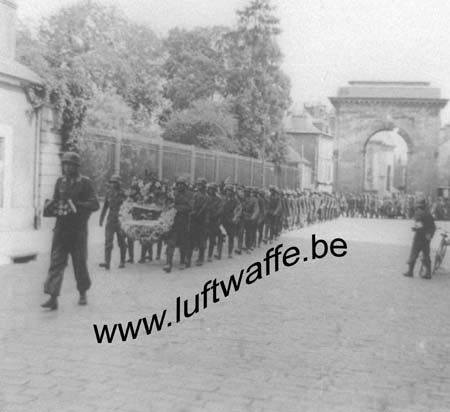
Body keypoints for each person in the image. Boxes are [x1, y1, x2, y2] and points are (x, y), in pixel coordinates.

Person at [41, 152, 100, 310]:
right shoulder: (60, 181)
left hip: (77, 230)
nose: (66, 167)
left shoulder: (85, 182)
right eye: (64, 164)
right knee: (56, 262)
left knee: (79, 263)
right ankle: (53, 297)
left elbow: (95, 204)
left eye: (70, 164)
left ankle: (82, 292)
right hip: (61, 229)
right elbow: (56, 199)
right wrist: (51, 206)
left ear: (76, 166)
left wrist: (77, 205)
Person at [99, 174, 127, 270]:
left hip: (120, 219)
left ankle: (122, 261)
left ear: (119, 183)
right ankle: (107, 262)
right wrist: (101, 218)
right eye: (111, 182)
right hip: (110, 219)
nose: (113, 184)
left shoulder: (123, 193)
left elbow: (128, 207)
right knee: (108, 241)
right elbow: (105, 206)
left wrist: (126, 220)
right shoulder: (108, 193)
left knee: (121, 241)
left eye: (115, 182)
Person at [403, 197, 436, 279]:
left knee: (414, 254)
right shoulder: (429, 214)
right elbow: (433, 227)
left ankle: (410, 271)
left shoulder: (418, 213)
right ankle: (428, 273)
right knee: (426, 255)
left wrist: (415, 228)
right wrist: (430, 235)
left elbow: (419, 226)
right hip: (426, 238)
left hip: (419, 237)